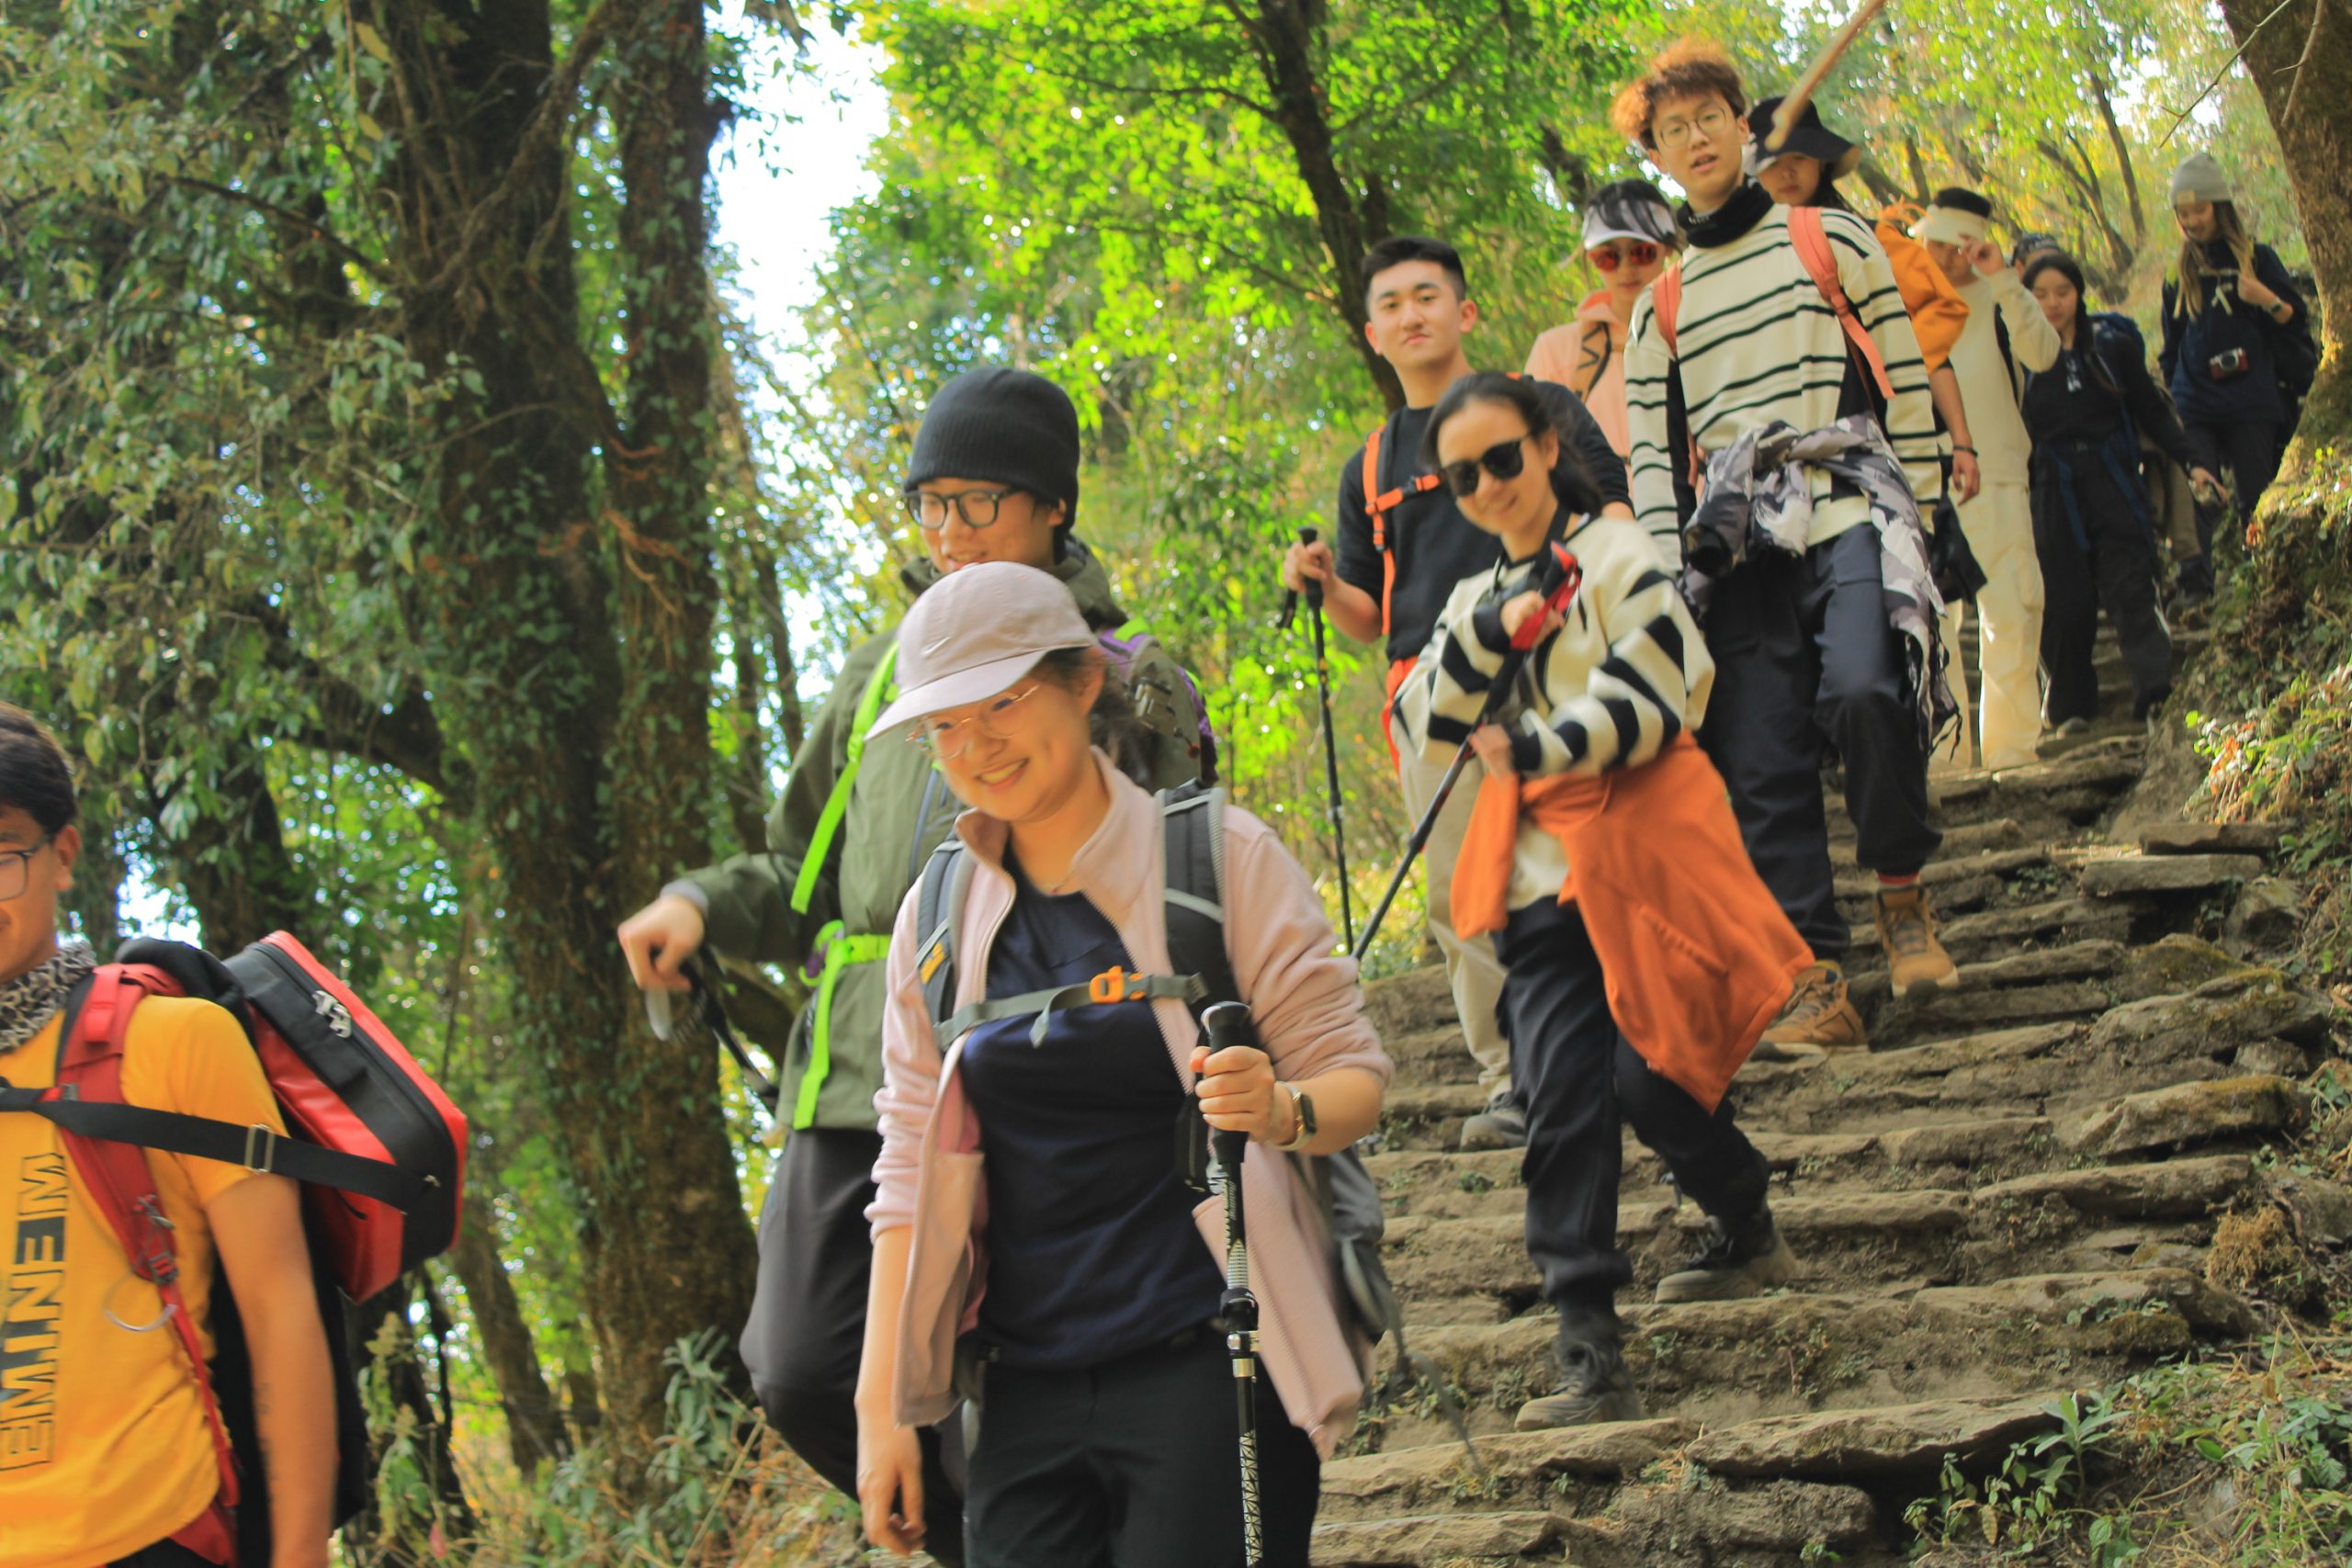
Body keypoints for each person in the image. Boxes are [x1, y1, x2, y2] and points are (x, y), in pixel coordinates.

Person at [615, 368, 1210, 1564]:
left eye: (976, 501)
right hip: (857, 1077)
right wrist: (692, 903)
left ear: (1051, 507)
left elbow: (1190, 876)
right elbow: (798, 870)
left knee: (1038, 1354)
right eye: (928, 504)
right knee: (796, 1366)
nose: (946, 532)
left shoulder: (1114, 669)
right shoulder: (881, 673)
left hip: (1048, 1061)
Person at [851, 562, 1391, 1567]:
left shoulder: (1219, 860)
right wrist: (882, 1408)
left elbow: (1352, 1081)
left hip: (1207, 1363)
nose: (975, 746)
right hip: (1021, 1394)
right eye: (945, 725)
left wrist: (1279, 1111)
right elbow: (904, 1176)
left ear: (1081, 684)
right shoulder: (933, 922)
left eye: (1002, 703)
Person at [1396, 374, 1811, 1430]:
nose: (1487, 484)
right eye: (1462, 474)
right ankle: (1588, 1348)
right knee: (1559, 1106)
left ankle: (1745, 1217)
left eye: (1502, 458)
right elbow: (1425, 722)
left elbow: (1663, 691)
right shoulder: (1465, 603)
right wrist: (1492, 631)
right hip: (1537, 882)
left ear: (1542, 447)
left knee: (1653, 1078)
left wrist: (1533, 744)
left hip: (1641, 854)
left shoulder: (1621, 555)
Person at [1618, 40, 1957, 1054]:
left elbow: (1898, 370)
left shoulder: (1830, 239)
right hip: (1735, 546)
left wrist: (1931, 521)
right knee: (1758, 758)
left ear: (1742, 124)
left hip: (1848, 502)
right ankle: (1811, 974)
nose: (1694, 139)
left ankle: (1900, 894)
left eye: (1707, 118)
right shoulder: (1658, 308)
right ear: (1661, 158)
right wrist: (1659, 586)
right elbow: (1647, 461)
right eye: (1670, 131)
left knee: (1864, 687)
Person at [1280, 235, 1631, 1150]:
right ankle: (1515, 1080)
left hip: (1553, 667)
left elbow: (1613, 520)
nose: (1411, 315)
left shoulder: (1536, 410)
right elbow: (1369, 613)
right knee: (1461, 896)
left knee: (1587, 862)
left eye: (1427, 296)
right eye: (1390, 304)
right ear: (1372, 333)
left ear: (1464, 312)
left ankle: (1633, 1049)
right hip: (1432, 698)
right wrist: (1321, 584)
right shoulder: (1371, 466)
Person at [0, 705, 336, 1568]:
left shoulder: (171, 1040)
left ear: (63, 854)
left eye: (1, 855)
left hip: (152, 1532)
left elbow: (281, 1309)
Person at [2022, 253, 2219, 733]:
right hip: (2051, 483)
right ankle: (2070, 707)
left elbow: (2151, 409)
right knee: (2065, 599)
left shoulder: (2111, 344)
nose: (2052, 304)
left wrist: (2192, 461)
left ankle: (2155, 694)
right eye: (2041, 295)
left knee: (2132, 584)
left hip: (2111, 478)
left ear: (2079, 294)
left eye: (2062, 293)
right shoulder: (2017, 353)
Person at [1916, 186, 2062, 773]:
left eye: (1958, 247)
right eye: (1937, 246)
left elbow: (2044, 354)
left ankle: (2011, 751)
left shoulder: (2002, 297)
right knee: (1933, 620)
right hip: (1924, 472)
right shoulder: (1900, 295)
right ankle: (1947, 759)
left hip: (1999, 469)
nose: (1948, 259)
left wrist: (2002, 279)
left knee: (2014, 606)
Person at [2161, 152, 2312, 600]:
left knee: (2256, 496)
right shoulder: (2179, 272)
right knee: (2200, 496)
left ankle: (2265, 583)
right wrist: (2177, 395)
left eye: (2199, 211)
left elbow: (2294, 318)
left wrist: (2260, 295)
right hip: (2197, 405)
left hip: (2252, 401)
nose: (2191, 222)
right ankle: (2198, 591)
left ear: (2219, 208)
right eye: (2182, 214)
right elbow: (2171, 345)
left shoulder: (2257, 258)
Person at [1524, 181, 1681, 464]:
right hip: (1598, 507)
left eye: (1641, 252)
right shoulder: (1556, 351)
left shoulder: (1701, 330)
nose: (1626, 269)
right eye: (1608, 257)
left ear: (1667, 249)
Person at [1746, 96, 1861, 212]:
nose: (1787, 173)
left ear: (1821, 162)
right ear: (1756, 174)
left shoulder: (1858, 229)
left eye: (1799, 157)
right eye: (1772, 163)